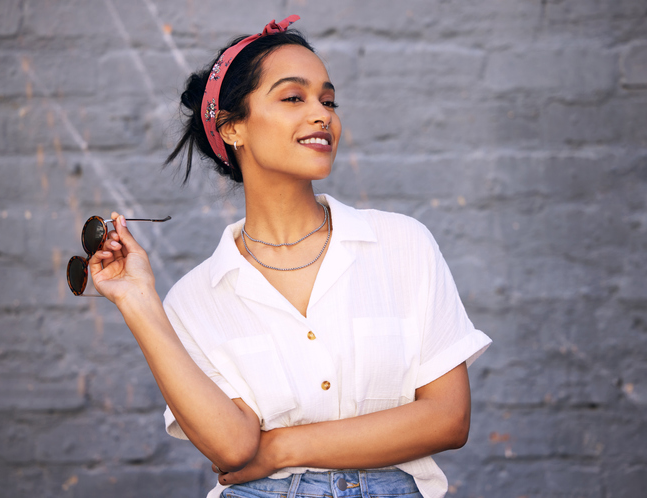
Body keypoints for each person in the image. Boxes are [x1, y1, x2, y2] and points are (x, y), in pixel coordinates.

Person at [88, 15, 491, 498]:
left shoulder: (402, 244)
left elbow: (448, 419)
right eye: (293, 97)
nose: (323, 114)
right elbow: (233, 448)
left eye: (328, 100)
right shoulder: (195, 299)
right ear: (233, 127)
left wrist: (280, 448)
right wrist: (137, 301)